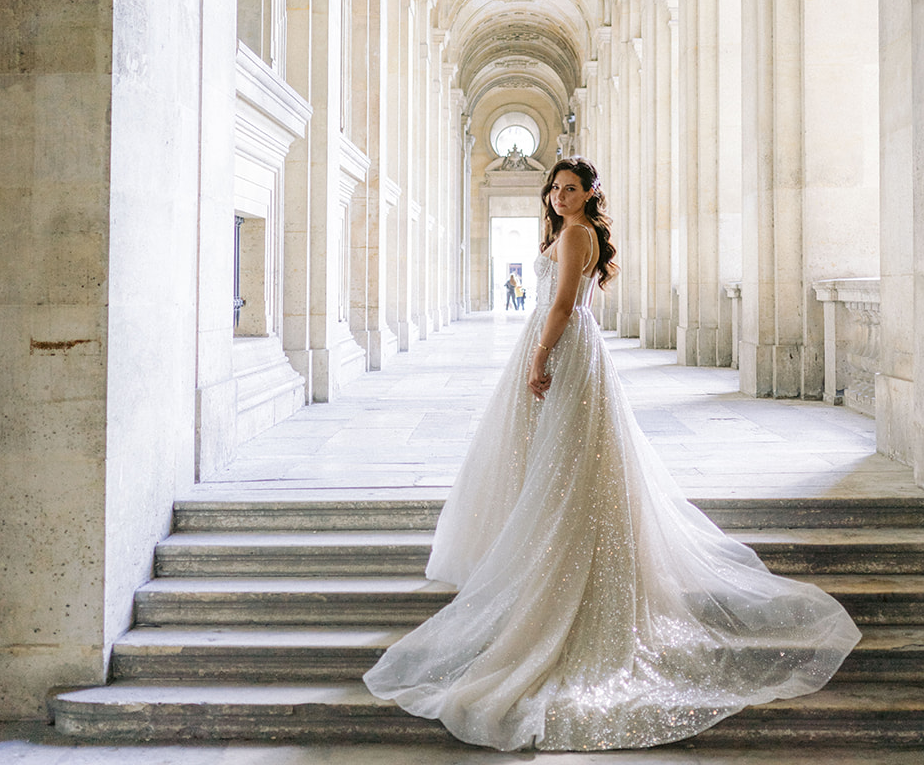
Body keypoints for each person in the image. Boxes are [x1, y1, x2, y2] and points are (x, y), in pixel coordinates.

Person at [364, 157, 860, 750]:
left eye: (571, 189)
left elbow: (565, 304)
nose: (559, 196)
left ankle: (561, 567)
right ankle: (553, 551)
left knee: (569, 463)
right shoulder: (572, 232)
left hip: (565, 347)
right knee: (566, 462)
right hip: (573, 349)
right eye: (555, 188)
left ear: (589, 194)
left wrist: (541, 355)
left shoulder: (577, 234)